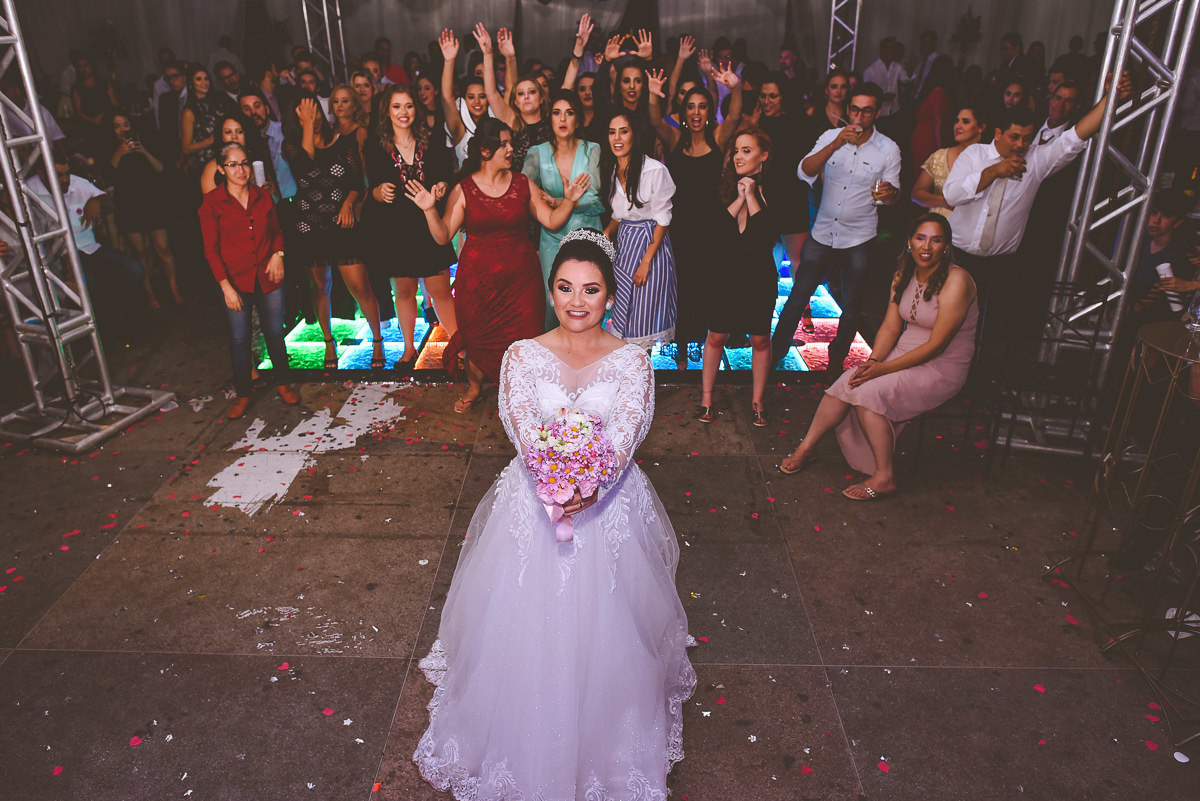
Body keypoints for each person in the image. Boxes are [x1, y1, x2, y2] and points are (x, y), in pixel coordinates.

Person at [412, 228, 695, 799]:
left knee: (609, 625)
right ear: (550, 289)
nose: (576, 301)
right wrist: (553, 479)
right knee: (524, 621)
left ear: (610, 298)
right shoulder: (522, 355)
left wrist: (592, 484)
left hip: (607, 506)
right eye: (565, 287)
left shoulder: (633, 361)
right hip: (533, 503)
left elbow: (627, 431)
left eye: (591, 290)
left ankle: (609, 735)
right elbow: (519, 426)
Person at [779, 214, 978, 500]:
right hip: (903, 354)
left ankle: (885, 476)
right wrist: (874, 362)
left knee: (870, 394)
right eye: (921, 238)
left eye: (936, 240)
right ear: (909, 242)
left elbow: (936, 345)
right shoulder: (904, 273)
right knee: (847, 382)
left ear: (946, 247)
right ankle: (806, 449)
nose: (927, 246)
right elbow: (890, 325)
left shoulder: (956, 280)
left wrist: (883, 370)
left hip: (941, 365)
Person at [404, 117, 591, 412]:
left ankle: (525, 396)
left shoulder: (522, 184)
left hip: (521, 284)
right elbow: (442, 236)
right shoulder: (464, 189)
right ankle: (476, 387)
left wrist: (567, 201)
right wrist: (429, 210)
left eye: (510, 143)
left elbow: (551, 220)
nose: (510, 150)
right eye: (503, 144)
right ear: (485, 151)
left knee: (527, 340)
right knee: (478, 341)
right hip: (478, 285)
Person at [941, 74, 1130, 364]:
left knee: (989, 331)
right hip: (958, 257)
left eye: (1027, 138)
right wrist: (994, 172)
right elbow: (952, 195)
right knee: (947, 324)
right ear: (998, 133)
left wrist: (1109, 97)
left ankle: (976, 386)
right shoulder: (975, 155)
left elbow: (1077, 135)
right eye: (1014, 137)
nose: (1021, 144)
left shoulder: (1037, 161)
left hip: (1000, 264)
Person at [771, 82, 902, 376]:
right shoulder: (830, 137)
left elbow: (895, 195)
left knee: (852, 306)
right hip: (822, 233)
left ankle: (835, 364)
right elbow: (804, 171)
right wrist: (835, 145)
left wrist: (889, 194)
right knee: (796, 298)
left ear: (877, 113)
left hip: (859, 237)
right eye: (854, 109)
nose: (859, 117)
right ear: (847, 109)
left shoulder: (888, 149)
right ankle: (774, 357)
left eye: (867, 111)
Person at [198, 142, 300, 419]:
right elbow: (211, 250)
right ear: (221, 169)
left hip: (268, 274)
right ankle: (243, 393)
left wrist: (279, 254)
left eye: (244, 163)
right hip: (234, 280)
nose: (240, 170)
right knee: (240, 338)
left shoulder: (261, 196)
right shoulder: (212, 203)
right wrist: (225, 287)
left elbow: (278, 231)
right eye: (232, 165)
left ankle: (283, 383)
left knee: (275, 333)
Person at [362, 84, 459, 372]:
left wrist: (441, 186)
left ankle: (458, 345)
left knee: (440, 291)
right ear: (387, 112)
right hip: (395, 228)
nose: (403, 112)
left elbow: (445, 176)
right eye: (396, 106)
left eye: (408, 106)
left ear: (415, 109)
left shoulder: (431, 141)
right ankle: (407, 349)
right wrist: (379, 191)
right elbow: (372, 187)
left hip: (428, 225)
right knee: (403, 292)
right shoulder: (375, 146)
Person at [285, 96, 385, 371]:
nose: (311, 115)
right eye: (304, 112)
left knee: (360, 286)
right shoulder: (291, 144)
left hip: (343, 224)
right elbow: (305, 166)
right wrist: (306, 126)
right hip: (310, 224)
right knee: (320, 287)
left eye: (314, 110)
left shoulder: (344, 142)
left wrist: (348, 203)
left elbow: (357, 183)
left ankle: (378, 339)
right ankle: (329, 341)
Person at [652, 77, 742, 368]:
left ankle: (706, 349)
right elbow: (655, 120)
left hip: (712, 229)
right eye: (690, 106)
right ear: (684, 110)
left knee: (707, 286)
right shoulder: (675, 140)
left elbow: (735, 116)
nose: (696, 112)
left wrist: (736, 88)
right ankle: (679, 349)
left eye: (702, 107)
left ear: (708, 111)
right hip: (680, 229)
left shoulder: (717, 140)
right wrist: (653, 95)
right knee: (681, 288)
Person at [698, 129, 778, 427]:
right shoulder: (724, 188)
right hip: (725, 276)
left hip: (758, 279)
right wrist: (741, 196)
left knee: (759, 339)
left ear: (763, 155)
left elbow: (764, 236)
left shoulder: (775, 189)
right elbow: (715, 231)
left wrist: (753, 195)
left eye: (746, 150)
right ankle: (706, 398)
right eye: (736, 151)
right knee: (716, 335)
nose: (738, 157)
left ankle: (758, 403)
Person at [28, 153, 147, 331]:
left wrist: (95, 200)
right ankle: (102, 334)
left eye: (67, 173)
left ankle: (121, 320)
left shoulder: (76, 183)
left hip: (91, 248)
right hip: (58, 257)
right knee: (88, 287)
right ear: (42, 174)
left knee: (134, 270)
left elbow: (109, 203)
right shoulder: (30, 190)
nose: (65, 179)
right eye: (59, 175)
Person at [522, 90, 604, 325]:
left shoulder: (592, 150)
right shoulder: (536, 154)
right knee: (554, 305)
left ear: (578, 119)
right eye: (556, 113)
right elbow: (522, 196)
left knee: (589, 302)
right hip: (551, 239)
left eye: (569, 113)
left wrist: (564, 202)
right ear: (550, 118)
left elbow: (600, 199)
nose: (562, 119)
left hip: (588, 235)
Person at [601, 111, 678, 350]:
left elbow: (663, 218)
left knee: (641, 322)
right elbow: (620, 215)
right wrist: (606, 233)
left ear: (634, 135)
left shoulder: (654, 170)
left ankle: (641, 382)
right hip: (625, 248)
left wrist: (646, 261)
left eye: (623, 131)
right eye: (612, 132)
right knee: (622, 318)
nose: (617, 138)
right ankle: (627, 382)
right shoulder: (614, 170)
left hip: (650, 247)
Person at [106, 111, 183, 307]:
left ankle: (175, 290)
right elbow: (107, 174)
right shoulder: (108, 149)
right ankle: (150, 295)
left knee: (163, 247)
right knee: (139, 251)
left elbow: (160, 169)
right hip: (128, 205)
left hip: (151, 201)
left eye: (125, 124)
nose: (122, 129)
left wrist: (144, 152)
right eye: (116, 126)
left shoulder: (144, 142)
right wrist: (119, 152)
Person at [475, 24, 550, 171]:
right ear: (516, 102)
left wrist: (511, 57)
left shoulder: (553, 121)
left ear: (541, 98)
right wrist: (488, 54)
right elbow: (491, 93)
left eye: (532, 92)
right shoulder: (511, 122)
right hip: (517, 188)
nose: (526, 96)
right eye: (521, 94)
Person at [912, 105, 985, 218]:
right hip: (938, 226)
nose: (958, 126)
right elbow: (917, 194)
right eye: (957, 121)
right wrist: (945, 201)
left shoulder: (987, 159)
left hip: (971, 225)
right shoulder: (940, 155)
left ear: (981, 127)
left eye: (965, 122)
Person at [436, 29, 492, 166]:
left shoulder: (496, 123)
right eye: (471, 97)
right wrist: (449, 61)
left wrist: (488, 54)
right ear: (464, 100)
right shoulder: (461, 131)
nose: (477, 101)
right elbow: (446, 98)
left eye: (482, 96)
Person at [199, 114, 273, 194]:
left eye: (239, 132)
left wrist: (268, 193)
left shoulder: (256, 161)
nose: (234, 136)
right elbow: (211, 203)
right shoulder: (212, 168)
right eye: (228, 132)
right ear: (222, 137)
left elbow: (275, 195)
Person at [181, 65, 234, 172]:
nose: (204, 82)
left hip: (228, 156)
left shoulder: (219, 101)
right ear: (191, 84)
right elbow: (186, 148)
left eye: (206, 78)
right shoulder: (189, 112)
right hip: (208, 162)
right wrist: (212, 140)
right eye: (199, 79)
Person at [910, 55, 955, 169]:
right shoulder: (938, 94)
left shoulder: (932, 91)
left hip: (922, 136)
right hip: (928, 139)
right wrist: (940, 148)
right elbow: (937, 121)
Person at [862, 37, 906, 118]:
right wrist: (881, 97)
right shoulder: (871, 70)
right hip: (878, 114)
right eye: (889, 48)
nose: (892, 52)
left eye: (893, 49)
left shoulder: (897, 67)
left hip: (894, 111)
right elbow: (865, 94)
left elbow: (906, 80)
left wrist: (910, 69)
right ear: (882, 50)